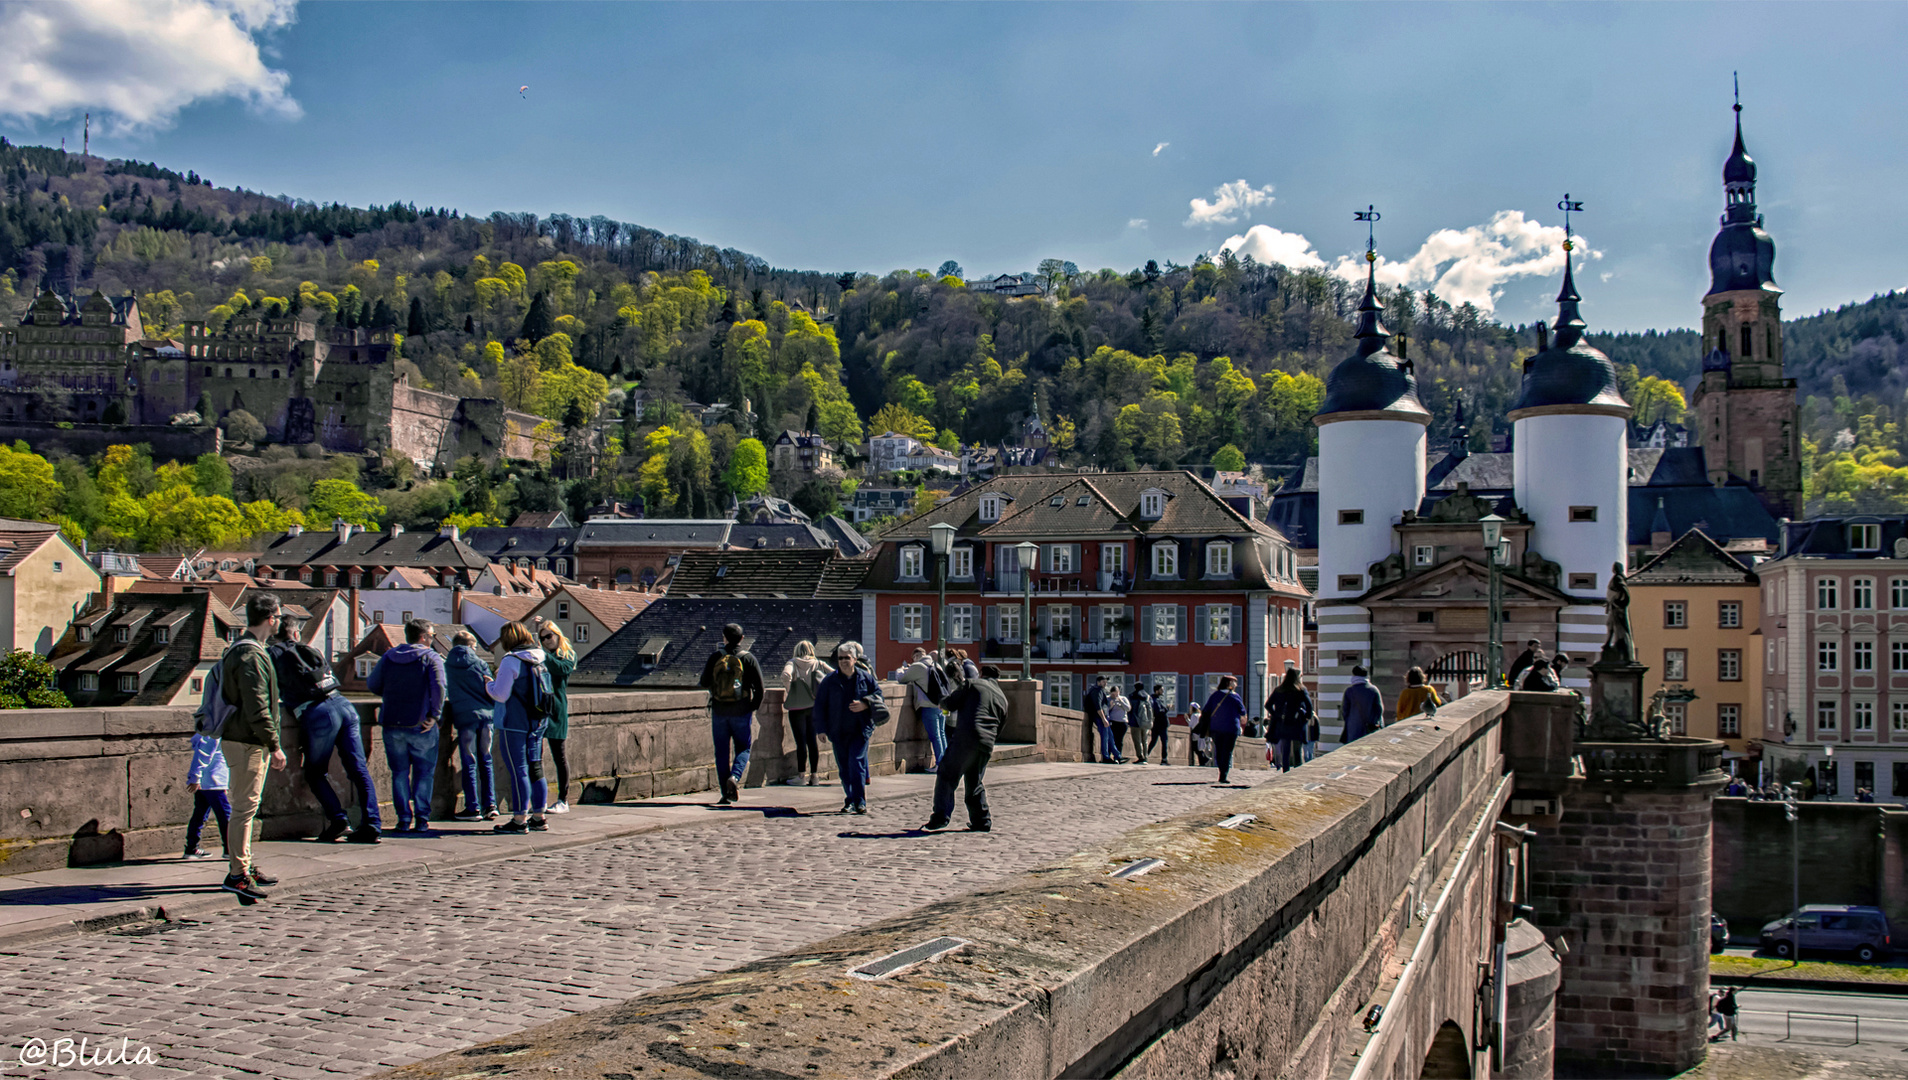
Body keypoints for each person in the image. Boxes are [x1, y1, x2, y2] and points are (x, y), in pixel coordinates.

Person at [272, 613, 380, 845]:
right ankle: (372, 824)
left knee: (315, 772)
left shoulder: (274, 654)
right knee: (358, 769)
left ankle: (339, 820)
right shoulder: (310, 649)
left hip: (316, 712)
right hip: (343, 704)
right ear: (296, 633)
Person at [218, 593, 288, 901]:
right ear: (271, 618)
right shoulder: (251, 655)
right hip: (247, 741)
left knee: (246, 807)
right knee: (244, 809)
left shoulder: (245, 650)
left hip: (244, 738)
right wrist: (274, 744)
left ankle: (243, 865)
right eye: (279, 617)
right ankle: (238, 875)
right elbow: (257, 705)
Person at [367, 619, 447, 832]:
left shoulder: (389, 657)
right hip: (421, 723)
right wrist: (435, 714)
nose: (432, 640)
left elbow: (373, 684)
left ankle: (403, 819)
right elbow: (439, 686)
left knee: (399, 772)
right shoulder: (431, 658)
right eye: (431, 637)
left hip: (392, 721)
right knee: (424, 772)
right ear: (423, 637)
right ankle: (421, 818)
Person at [923, 665, 1010, 832]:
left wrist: (943, 703)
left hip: (966, 738)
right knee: (974, 781)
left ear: (981, 674)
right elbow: (1001, 726)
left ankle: (941, 817)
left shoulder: (972, 684)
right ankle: (981, 821)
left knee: (947, 775)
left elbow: (951, 704)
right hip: (987, 743)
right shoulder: (1003, 698)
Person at [485, 621, 550, 833]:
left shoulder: (511, 661)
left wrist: (488, 683)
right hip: (538, 720)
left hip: (513, 723)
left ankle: (520, 818)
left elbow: (500, 694)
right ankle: (539, 816)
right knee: (536, 767)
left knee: (518, 769)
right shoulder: (540, 657)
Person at [813, 640, 887, 814]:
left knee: (857, 763)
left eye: (847, 658)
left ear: (854, 659)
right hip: (838, 730)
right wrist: (821, 729)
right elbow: (820, 706)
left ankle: (860, 801)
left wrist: (865, 703)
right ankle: (850, 799)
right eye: (840, 658)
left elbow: (878, 696)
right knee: (844, 767)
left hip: (860, 729)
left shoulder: (865, 678)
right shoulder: (830, 681)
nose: (843, 661)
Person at [698, 622, 764, 804]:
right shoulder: (748, 659)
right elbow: (760, 689)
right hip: (741, 710)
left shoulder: (715, 657)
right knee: (743, 748)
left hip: (719, 710)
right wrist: (751, 707)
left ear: (724, 637)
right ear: (742, 639)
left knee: (721, 752)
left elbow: (704, 682)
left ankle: (724, 794)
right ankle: (734, 778)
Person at [444, 631, 497, 821]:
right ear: (471, 645)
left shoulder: (447, 664)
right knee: (486, 760)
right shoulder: (480, 663)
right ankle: (490, 804)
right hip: (485, 716)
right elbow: (489, 689)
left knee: (469, 762)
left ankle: (472, 807)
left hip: (464, 716)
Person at [536, 620, 577, 813]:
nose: (545, 641)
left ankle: (563, 799)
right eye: (542, 638)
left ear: (557, 635)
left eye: (548, 636)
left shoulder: (567, 655)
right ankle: (539, 799)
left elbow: (561, 669)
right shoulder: (543, 655)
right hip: (539, 708)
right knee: (536, 757)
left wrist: (541, 654)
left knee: (559, 757)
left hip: (557, 709)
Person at [780, 641, 824, 786]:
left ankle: (801, 776)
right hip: (813, 706)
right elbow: (833, 674)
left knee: (801, 743)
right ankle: (815, 776)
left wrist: (789, 689)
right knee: (812, 741)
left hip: (796, 708)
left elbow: (786, 675)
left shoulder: (793, 662)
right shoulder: (817, 663)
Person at [183, 726, 229, 860]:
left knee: (200, 814)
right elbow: (202, 755)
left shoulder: (208, 731)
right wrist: (195, 777)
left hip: (208, 781)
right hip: (213, 781)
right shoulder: (213, 732)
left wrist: (196, 778)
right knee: (226, 816)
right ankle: (230, 848)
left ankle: (191, 848)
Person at [901, 647, 948, 772]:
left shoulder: (918, 666)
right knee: (942, 734)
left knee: (935, 736)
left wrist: (901, 670)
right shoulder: (936, 665)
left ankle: (940, 764)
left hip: (929, 706)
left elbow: (902, 678)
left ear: (916, 656)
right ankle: (947, 763)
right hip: (942, 705)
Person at [1196, 676, 1247, 784]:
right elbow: (1242, 711)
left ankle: (1221, 770)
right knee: (1227, 751)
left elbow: (1206, 710)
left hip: (1216, 728)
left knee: (1219, 750)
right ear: (1230, 684)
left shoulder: (1215, 696)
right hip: (1231, 728)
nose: (1236, 685)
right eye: (1234, 682)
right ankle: (1223, 774)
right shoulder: (1235, 697)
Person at [1266, 665, 1314, 772]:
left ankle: (1285, 771)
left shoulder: (1279, 690)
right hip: (1297, 722)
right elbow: (1309, 706)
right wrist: (1306, 717)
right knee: (1297, 750)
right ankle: (1297, 772)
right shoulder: (1300, 690)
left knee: (1285, 750)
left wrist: (1276, 715)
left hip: (1283, 723)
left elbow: (1268, 705)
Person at [1340, 665, 1383, 744]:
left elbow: (1344, 711)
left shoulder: (1349, 691)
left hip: (1353, 729)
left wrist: (1350, 721)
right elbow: (1379, 709)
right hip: (1371, 728)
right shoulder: (1373, 690)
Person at [1084, 676, 1112, 763]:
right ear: (1098, 682)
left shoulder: (1099, 690)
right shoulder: (1097, 690)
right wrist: (1104, 718)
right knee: (1105, 737)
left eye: (1106, 682)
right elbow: (1098, 706)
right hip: (1100, 716)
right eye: (1103, 682)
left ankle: (1116, 755)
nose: (1105, 684)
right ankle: (1106, 757)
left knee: (1109, 737)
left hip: (1102, 716)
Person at [1103, 682, 1130, 764]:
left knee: (1119, 740)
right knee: (1112, 739)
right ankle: (1110, 756)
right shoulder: (1108, 699)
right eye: (1113, 694)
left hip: (1122, 722)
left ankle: (1118, 756)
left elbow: (1128, 708)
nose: (1114, 696)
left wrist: (1120, 701)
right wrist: (1110, 706)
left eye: (1116, 694)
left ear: (1119, 692)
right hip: (1113, 722)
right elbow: (1105, 710)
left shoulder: (1123, 698)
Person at [1126, 685, 1153, 765]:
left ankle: (1140, 757)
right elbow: (1151, 709)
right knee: (1145, 740)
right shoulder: (1147, 696)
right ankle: (1146, 757)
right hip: (1145, 721)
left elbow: (1129, 709)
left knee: (1137, 740)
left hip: (1135, 721)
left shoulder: (1132, 696)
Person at [1145, 685, 1172, 765]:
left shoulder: (1155, 699)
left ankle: (1145, 756)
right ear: (1157, 690)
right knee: (1164, 741)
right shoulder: (1155, 700)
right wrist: (1167, 708)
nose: (1162, 691)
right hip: (1160, 724)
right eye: (1161, 689)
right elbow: (1159, 712)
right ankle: (1164, 759)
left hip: (1157, 724)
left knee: (1153, 741)